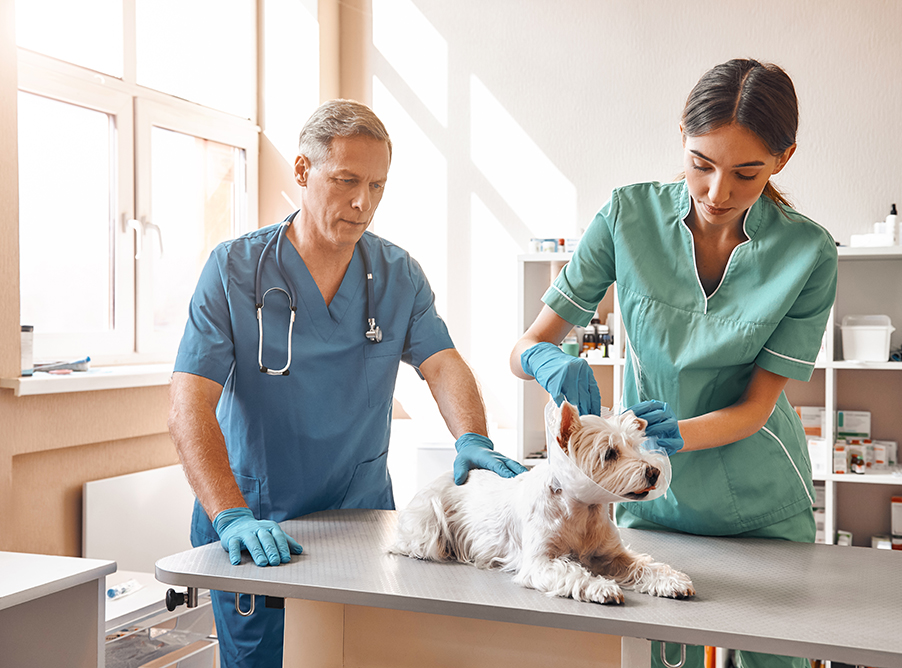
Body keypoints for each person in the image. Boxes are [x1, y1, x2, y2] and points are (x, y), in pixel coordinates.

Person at [168, 99, 526, 668]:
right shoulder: (235, 269)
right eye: (347, 181)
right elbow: (190, 403)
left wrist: (472, 439)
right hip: (259, 523)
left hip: (359, 523)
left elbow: (442, 363)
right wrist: (230, 514)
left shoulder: (397, 274)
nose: (363, 203)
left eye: (378, 186)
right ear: (303, 171)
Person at [510, 59, 837, 668]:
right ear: (681, 140)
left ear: (783, 158)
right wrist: (546, 362)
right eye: (700, 164)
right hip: (648, 503)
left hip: (758, 504)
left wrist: (670, 439)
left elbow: (757, 407)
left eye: (746, 173)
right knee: (654, 655)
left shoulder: (807, 252)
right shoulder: (626, 217)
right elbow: (524, 348)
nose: (717, 192)